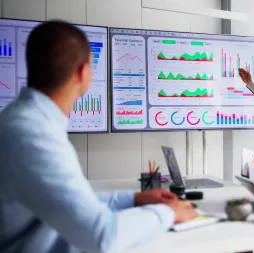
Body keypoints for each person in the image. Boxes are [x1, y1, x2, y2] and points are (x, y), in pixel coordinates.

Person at [0, 21, 198, 253]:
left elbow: (68, 203)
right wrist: (169, 213)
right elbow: (102, 236)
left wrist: (133, 199)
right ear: (83, 73)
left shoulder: (24, 121)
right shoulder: (33, 136)